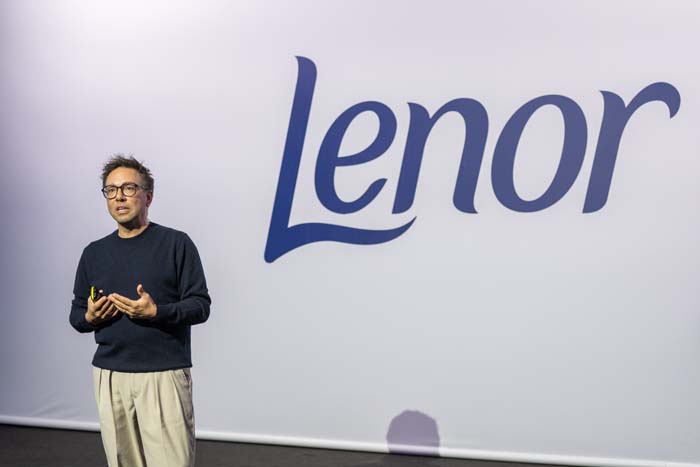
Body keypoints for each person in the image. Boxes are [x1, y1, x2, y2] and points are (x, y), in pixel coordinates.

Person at [69, 154, 211, 467]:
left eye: (129, 188)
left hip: (162, 375)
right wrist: (90, 317)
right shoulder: (94, 253)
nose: (119, 197)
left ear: (148, 196)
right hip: (110, 376)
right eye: (111, 190)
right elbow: (77, 316)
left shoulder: (176, 243)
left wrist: (156, 312)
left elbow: (200, 305)